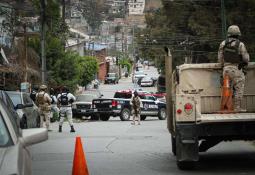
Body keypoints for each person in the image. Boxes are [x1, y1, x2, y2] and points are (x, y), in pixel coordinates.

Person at [218, 25, 250, 112]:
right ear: (238, 34)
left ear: (228, 34)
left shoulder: (223, 43)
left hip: (226, 70)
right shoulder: (240, 44)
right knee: (238, 89)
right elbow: (246, 59)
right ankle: (237, 108)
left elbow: (220, 59)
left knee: (227, 89)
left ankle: (226, 108)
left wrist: (223, 66)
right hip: (236, 70)